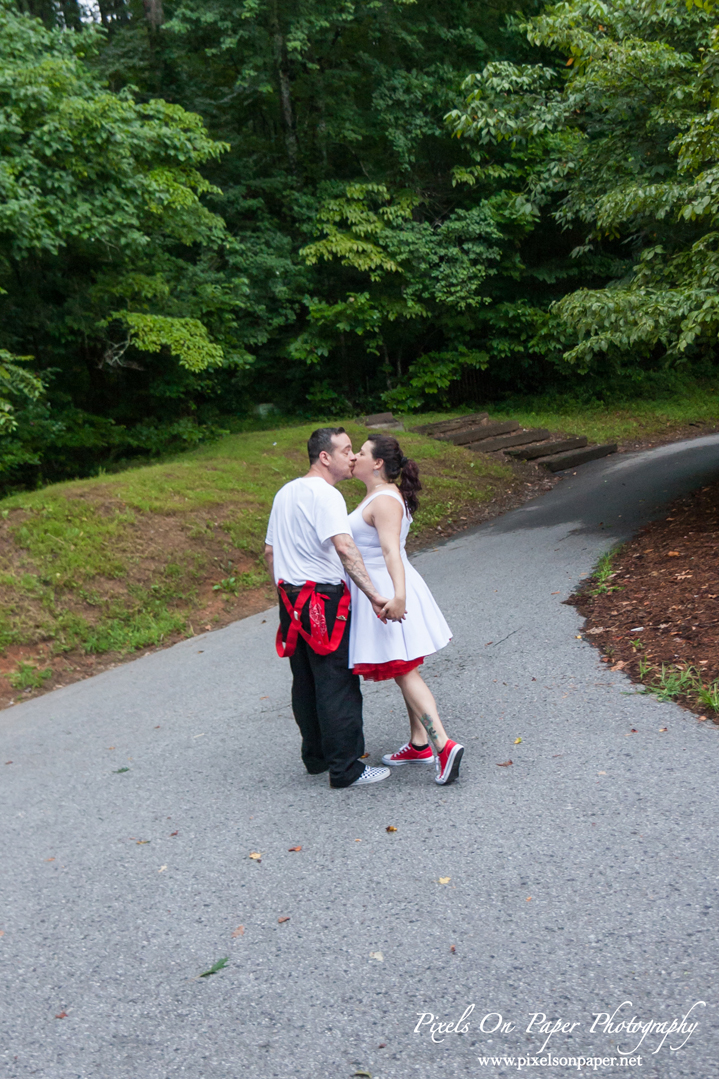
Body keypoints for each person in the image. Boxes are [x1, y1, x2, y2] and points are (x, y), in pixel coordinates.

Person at [264, 427, 397, 788]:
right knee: (336, 681)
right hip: (322, 598)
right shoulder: (326, 495)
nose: (352, 457)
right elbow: (344, 547)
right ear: (325, 457)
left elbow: (270, 553)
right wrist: (373, 595)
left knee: (305, 680)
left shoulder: (285, 493)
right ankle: (346, 769)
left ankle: (317, 758)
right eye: (346, 450)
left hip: (289, 598)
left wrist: (284, 592)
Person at [347, 434, 464, 785]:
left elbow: (389, 551)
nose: (354, 456)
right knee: (403, 666)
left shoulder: (383, 499)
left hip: (387, 591)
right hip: (387, 588)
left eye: (362, 452)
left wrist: (398, 597)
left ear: (378, 462)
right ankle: (418, 744)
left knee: (404, 669)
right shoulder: (379, 495)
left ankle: (442, 744)